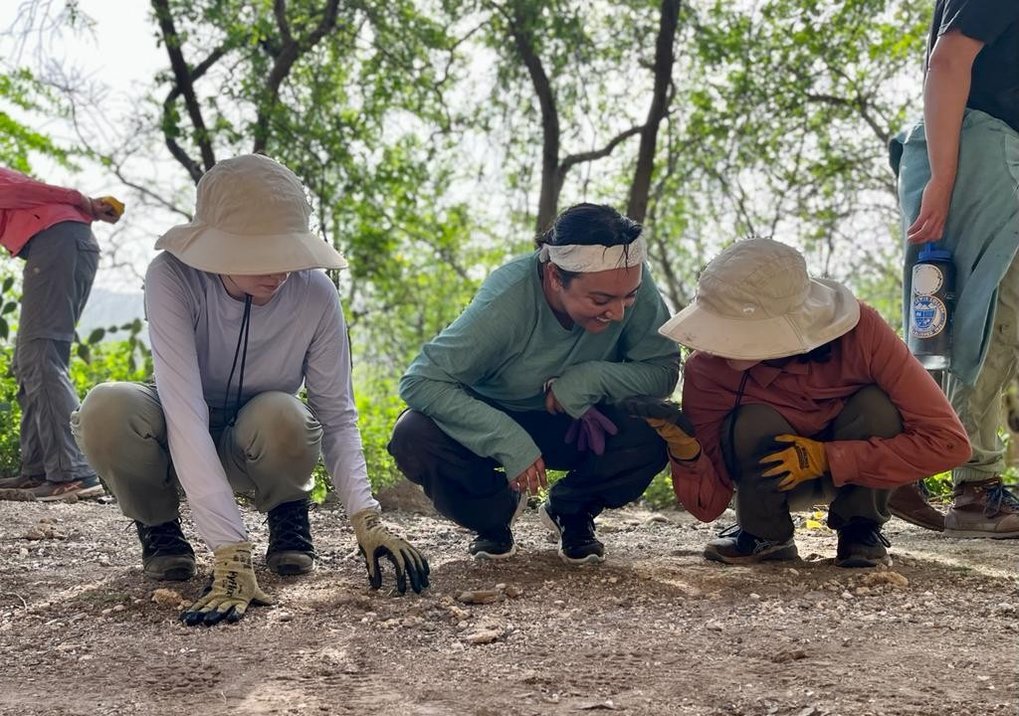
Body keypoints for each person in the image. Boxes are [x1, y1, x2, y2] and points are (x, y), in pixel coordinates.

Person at [72, 154, 428, 627]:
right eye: (261, 252)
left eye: (287, 250)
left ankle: (287, 513)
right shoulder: (172, 276)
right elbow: (183, 412)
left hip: (257, 440)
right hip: (177, 434)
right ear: (217, 248)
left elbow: (337, 416)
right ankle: (160, 529)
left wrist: (367, 519)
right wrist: (231, 550)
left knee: (287, 413)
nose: (279, 269)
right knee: (106, 406)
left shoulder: (316, 294)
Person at [629, 239, 971, 567]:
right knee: (751, 421)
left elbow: (949, 443)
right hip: (767, 475)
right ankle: (764, 533)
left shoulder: (861, 331)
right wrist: (685, 450)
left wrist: (826, 458)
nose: (718, 340)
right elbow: (707, 506)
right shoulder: (706, 369)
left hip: (860, 470)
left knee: (876, 405)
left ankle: (860, 528)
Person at [388, 203, 680, 564]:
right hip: (496, 418)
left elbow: (663, 371)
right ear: (556, 277)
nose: (619, 312)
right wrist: (507, 440)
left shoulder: (630, 278)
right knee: (413, 435)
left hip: (581, 419)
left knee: (654, 430)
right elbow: (420, 381)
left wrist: (589, 378)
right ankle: (493, 515)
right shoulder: (505, 299)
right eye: (601, 300)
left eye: (629, 297)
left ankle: (571, 510)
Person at [890, 0, 1019, 538]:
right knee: (994, 318)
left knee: (941, 318)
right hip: (981, 148)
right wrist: (943, 178)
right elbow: (947, 62)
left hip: (971, 146)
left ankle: (896, 462)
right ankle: (974, 485)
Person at [0, 166, 122, 500]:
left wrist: (82, 201)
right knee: (28, 360)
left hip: (59, 243)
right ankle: (39, 469)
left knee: (41, 355)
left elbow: (31, 190)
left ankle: (74, 472)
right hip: (55, 246)